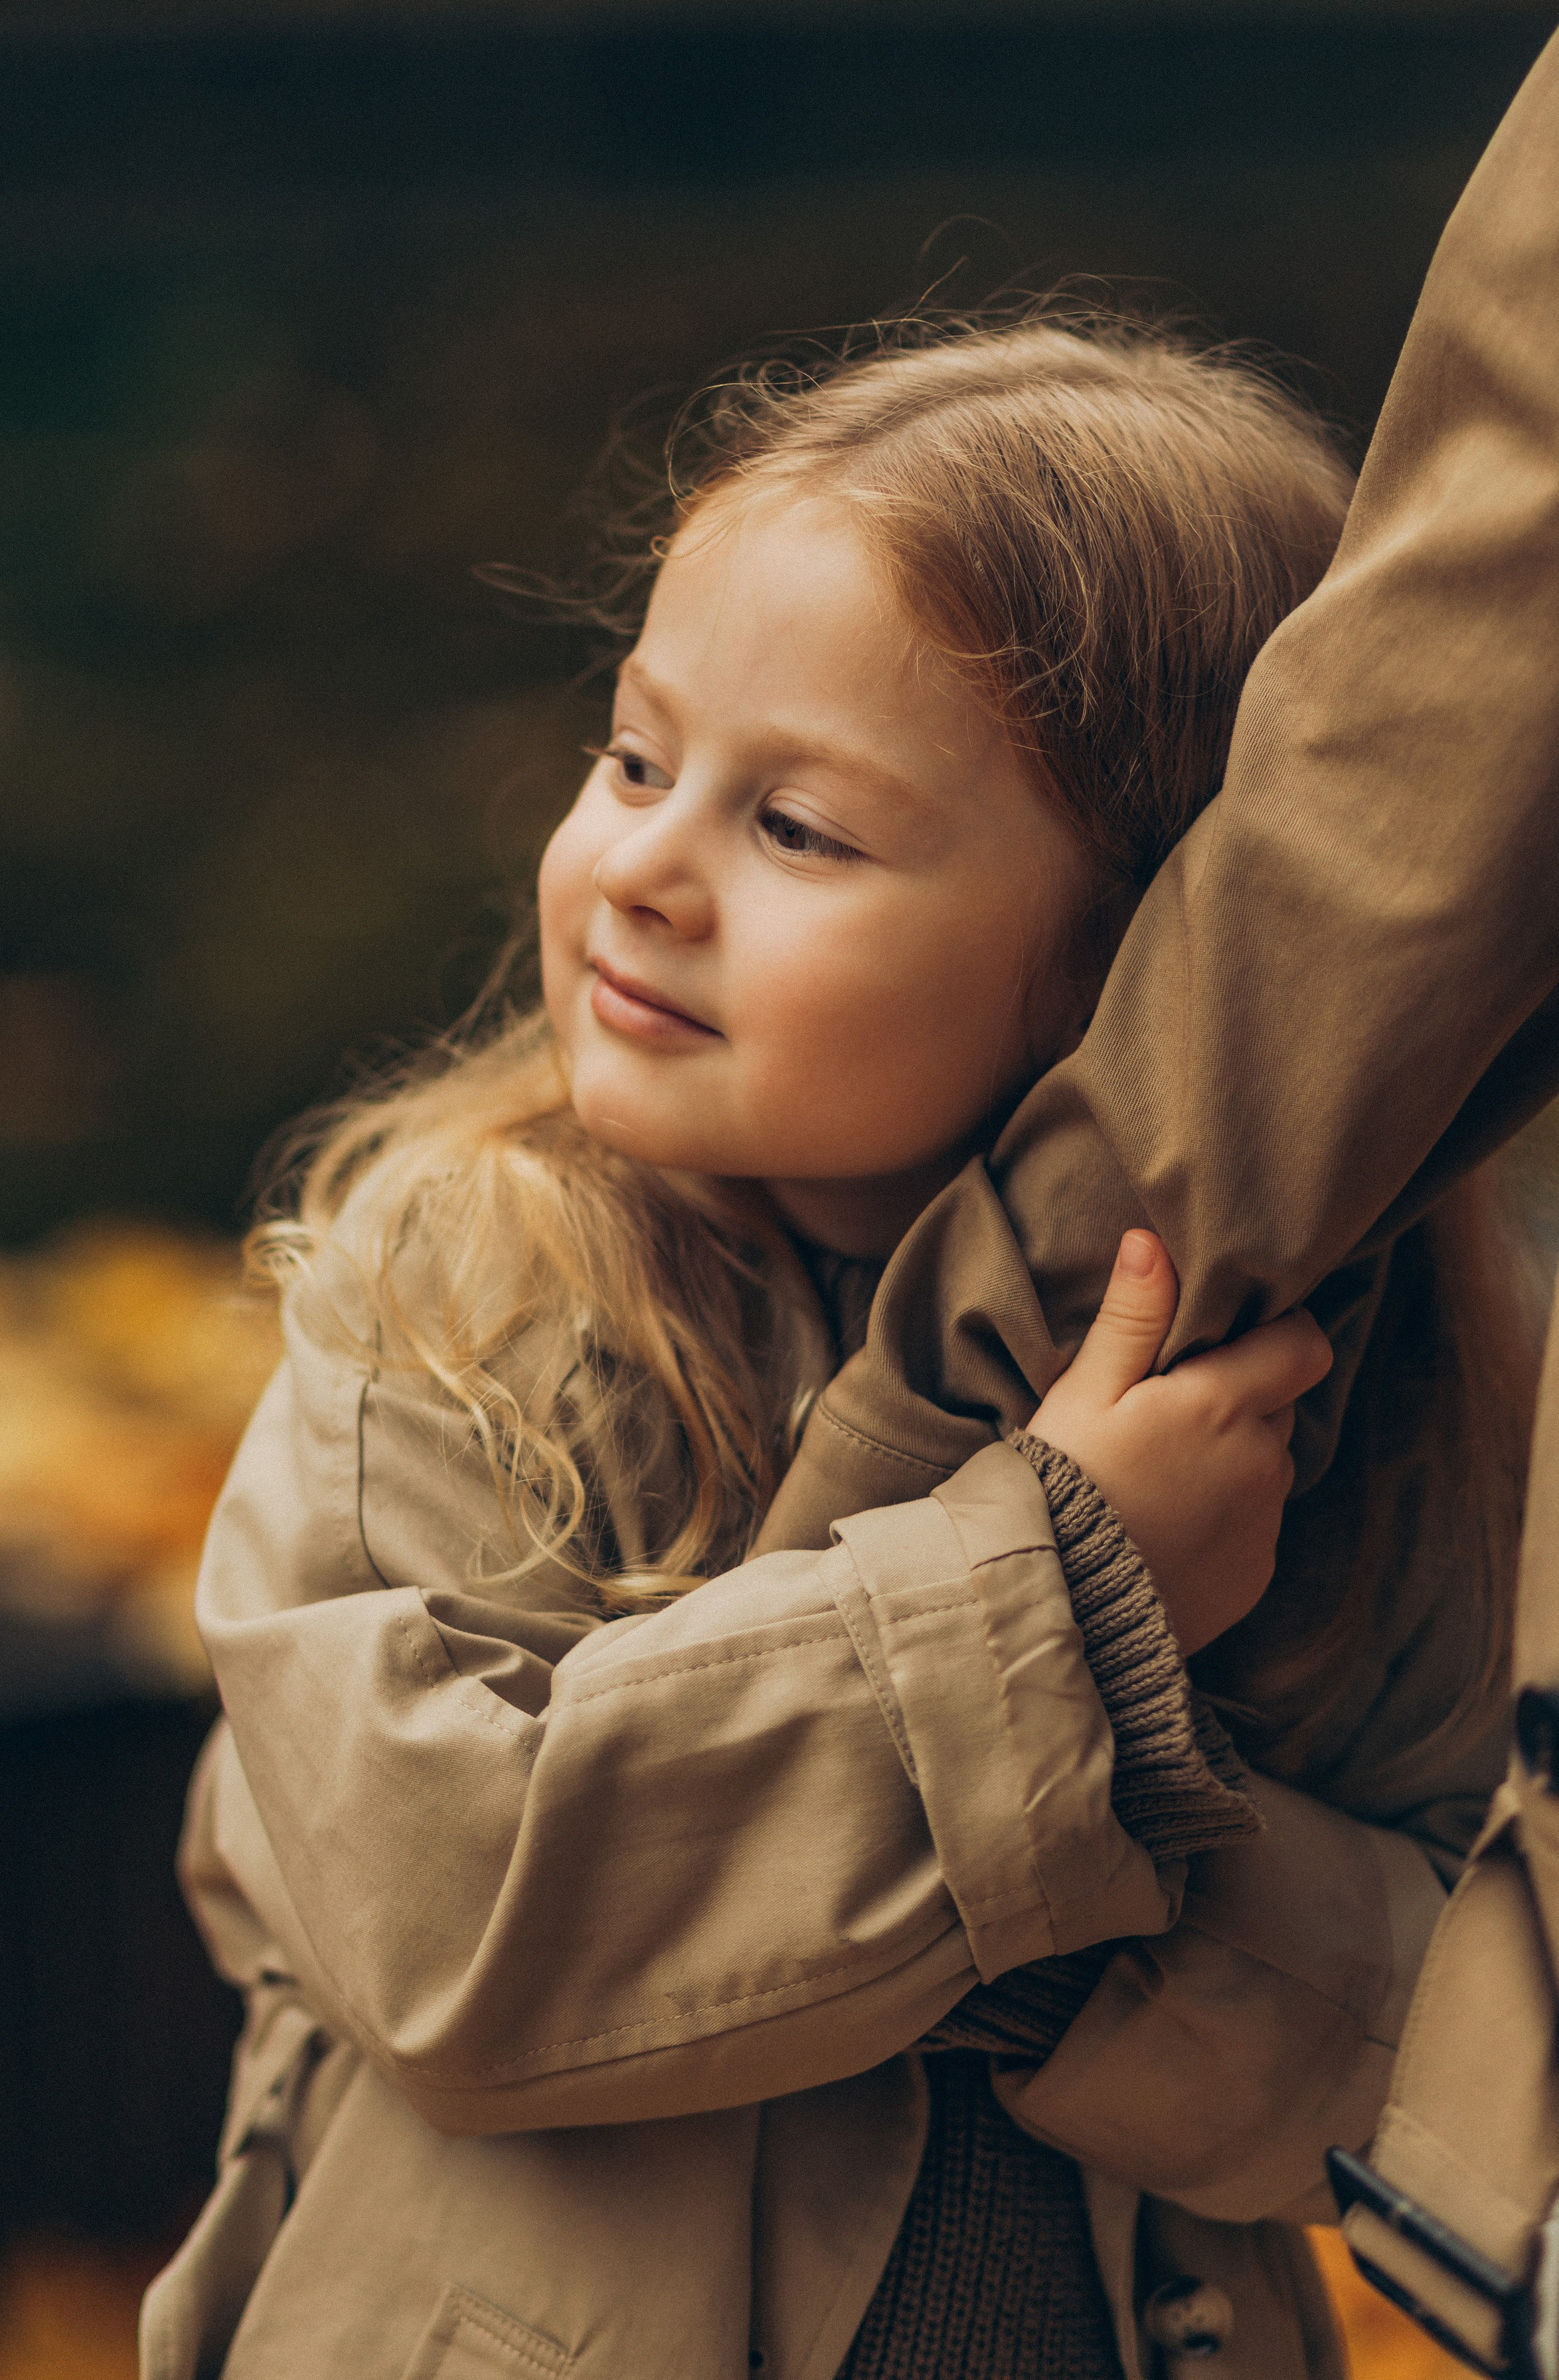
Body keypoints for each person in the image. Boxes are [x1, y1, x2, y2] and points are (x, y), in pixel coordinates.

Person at [142, 321, 1537, 2380]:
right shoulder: (463, 1294)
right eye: (635, 759)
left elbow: (1445, 2042)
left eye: (796, 828)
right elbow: (447, 1926)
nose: (641, 869)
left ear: (1137, 966)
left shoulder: (1312, 1403)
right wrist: (1067, 1622)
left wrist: (1036, 1950)